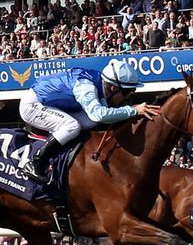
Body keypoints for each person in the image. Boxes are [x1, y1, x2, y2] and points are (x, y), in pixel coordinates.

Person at [19, 59, 159, 183]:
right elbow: (100, 115)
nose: (128, 97)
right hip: (33, 105)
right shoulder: (86, 87)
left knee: (91, 123)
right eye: (127, 92)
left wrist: (130, 110)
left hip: (52, 104)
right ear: (113, 87)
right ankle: (35, 162)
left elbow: (98, 118)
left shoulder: (102, 86)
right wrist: (133, 110)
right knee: (71, 126)